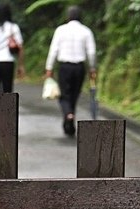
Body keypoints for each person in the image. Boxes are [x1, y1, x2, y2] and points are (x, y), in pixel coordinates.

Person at [44, 5, 96, 136]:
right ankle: (70, 121)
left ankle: (68, 114)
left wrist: (49, 68)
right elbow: (91, 52)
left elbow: (53, 50)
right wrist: (92, 68)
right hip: (79, 67)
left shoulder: (60, 30)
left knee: (65, 94)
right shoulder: (86, 31)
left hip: (64, 67)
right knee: (74, 93)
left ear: (68, 17)